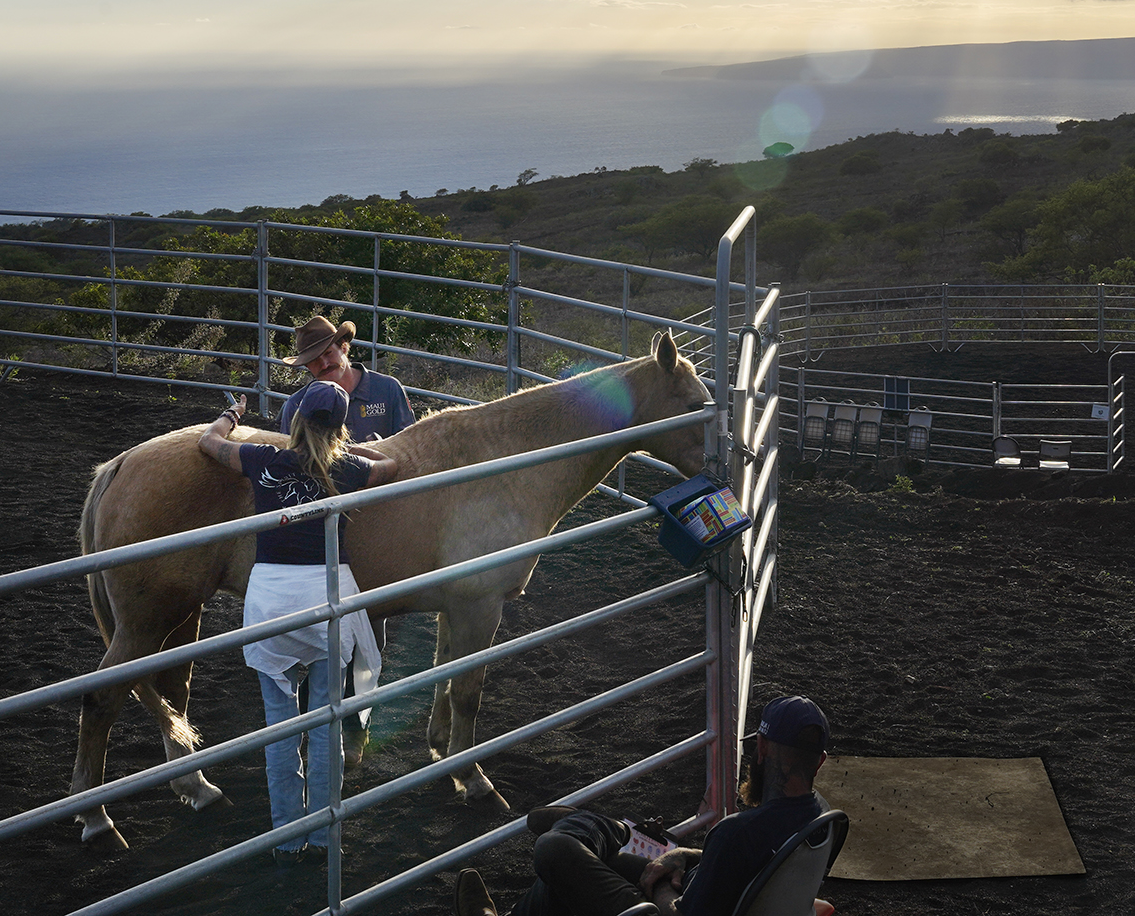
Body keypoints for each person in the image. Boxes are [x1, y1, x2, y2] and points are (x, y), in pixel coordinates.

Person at [198, 380, 398, 865]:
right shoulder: (349, 469)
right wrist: (348, 446)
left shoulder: (262, 459)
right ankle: (327, 835)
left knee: (279, 727)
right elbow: (395, 465)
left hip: (270, 602)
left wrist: (233, 414)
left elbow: (208, 444)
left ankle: (286, 838)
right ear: (339, 427)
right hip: (327, 600)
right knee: (326, 726)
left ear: (296, 419)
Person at [454, 695, 833, 916]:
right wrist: (683, 853)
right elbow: (750, 866)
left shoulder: (736, 833)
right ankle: (592, 829)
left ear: (762, 750)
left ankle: (591, 827)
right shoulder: (821, 821)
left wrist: (661, 887)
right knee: (570, 871)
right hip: (720, 899)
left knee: (555, 850)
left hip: (663, 911)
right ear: (820, 761)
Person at [277, 315, 416, 444]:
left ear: (344, 348)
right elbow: (290, 461)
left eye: (328, 353)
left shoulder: (388, 389)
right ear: (306, 365)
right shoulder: (296, 405)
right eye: (314, 360)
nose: (324, 364)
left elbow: (409, 444)